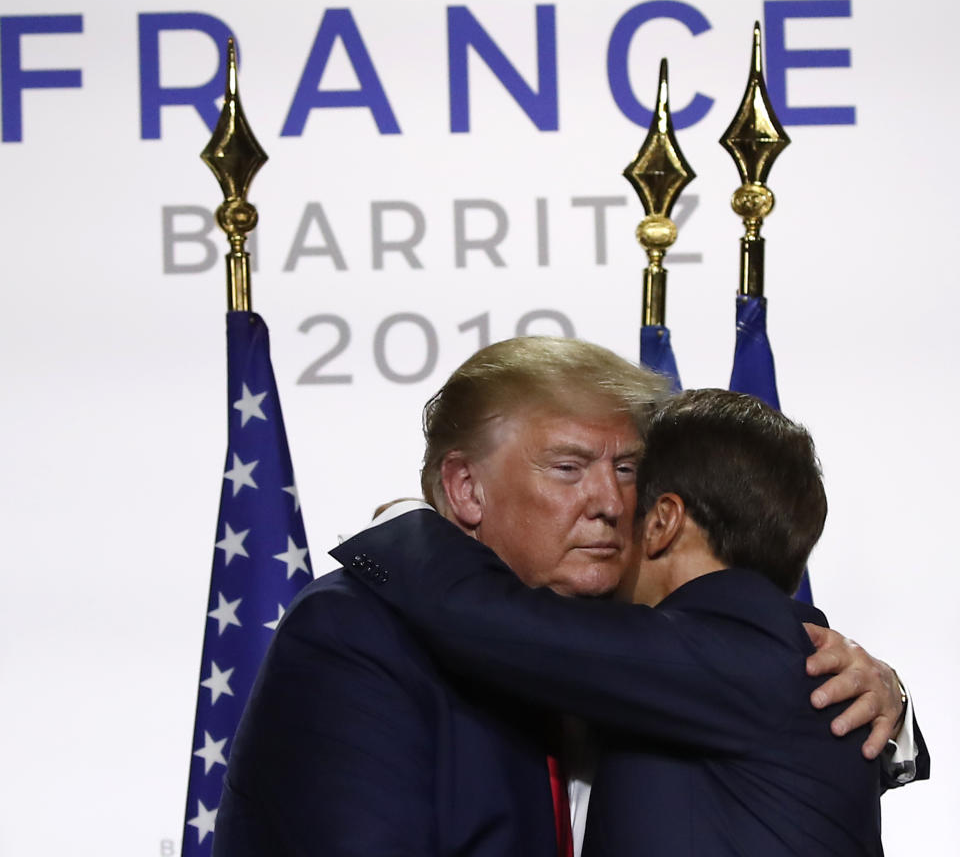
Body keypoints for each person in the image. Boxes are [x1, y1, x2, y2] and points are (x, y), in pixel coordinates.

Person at [214, 339, 913, 856]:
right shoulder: (356, 632)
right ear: (464, 490)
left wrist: (890, 701)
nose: (610, 503)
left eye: (629, 469)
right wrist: (400, 528)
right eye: (569, 468)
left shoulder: (650, 636)